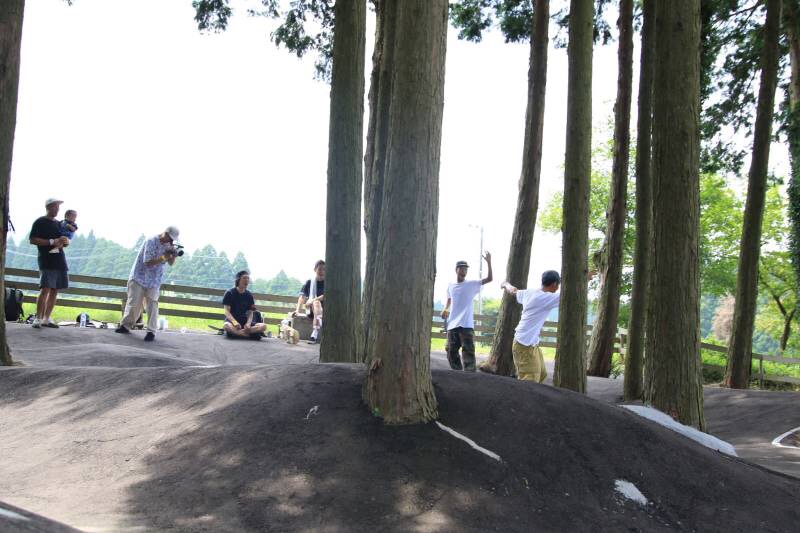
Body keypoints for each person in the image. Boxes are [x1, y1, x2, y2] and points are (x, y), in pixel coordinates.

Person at [500, 269, 594, 382]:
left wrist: (506, 284)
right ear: (554, 284)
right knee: (530, 379)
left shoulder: (529, 293)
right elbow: (571, 294)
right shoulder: (545, 298)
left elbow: (513, 291)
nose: (558, 288)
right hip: (524, 345)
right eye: (558, 284)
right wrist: (585, 280)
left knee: (542, 374)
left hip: (530, 343)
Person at [115, 226, 181, 341]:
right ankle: (125, 325)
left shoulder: (169, 245)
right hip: (139, 276)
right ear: (165, 233)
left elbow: (171, 263)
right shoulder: (151, 241)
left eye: (173, 240)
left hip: (154, 280)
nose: (171, 241)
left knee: (152, 305)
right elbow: (148, 262)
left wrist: (173, 256)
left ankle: (151, 331)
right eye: (170, 238)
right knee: (134, 303)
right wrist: (164, 257)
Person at [441, 252, 493, 371]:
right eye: (461, 268)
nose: (464, 271)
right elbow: (449, 299)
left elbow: (489, 279)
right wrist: (445, 308)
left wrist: (489, 262)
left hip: (466, 325)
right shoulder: (450, 285)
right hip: (453, 324)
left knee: (468, 352)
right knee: (450, 350)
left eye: (466, 269)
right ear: (456, 270)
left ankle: (470, 376)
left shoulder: (471, 284)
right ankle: (458, 373)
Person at [28, 198, 70, 329]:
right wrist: (52, 241)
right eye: (55, 207)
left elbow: (63, 242)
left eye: (58, 207)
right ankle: (38, 318)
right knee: (45, 288)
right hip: (46, 259)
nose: (57, 209)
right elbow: (33, 240)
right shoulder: (40, 221)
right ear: (48, 207)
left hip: (60, 259)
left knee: (55, 289)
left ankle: (47, 318)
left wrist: (65, 242)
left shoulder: (59, 224)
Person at [222, 270, 266, 340]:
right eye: (244, 278)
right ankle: (245, 334)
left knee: (263, 326)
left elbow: (250, 312)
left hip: (245, 322)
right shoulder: (229, 293)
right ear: (238, 280)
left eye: (248, 278)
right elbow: (227, 312)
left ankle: (238, 333)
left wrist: (248, 323)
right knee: (226, 326)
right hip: (233, 322)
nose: (247, 280)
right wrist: (235, 322)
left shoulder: (249, 295)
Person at [294, 260, 325, 343]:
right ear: (315, 269)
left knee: (316, 302)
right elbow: (302, 297)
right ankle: (315, 333)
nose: (322, 271)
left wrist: (312, 300)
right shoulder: (309, 282)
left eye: (324, 269)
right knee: (317, 303)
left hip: (325, 309)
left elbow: (325, 296)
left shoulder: (328, 283)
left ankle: (315, 333)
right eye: (320, 269)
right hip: (311, 310)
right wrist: (297, 310)